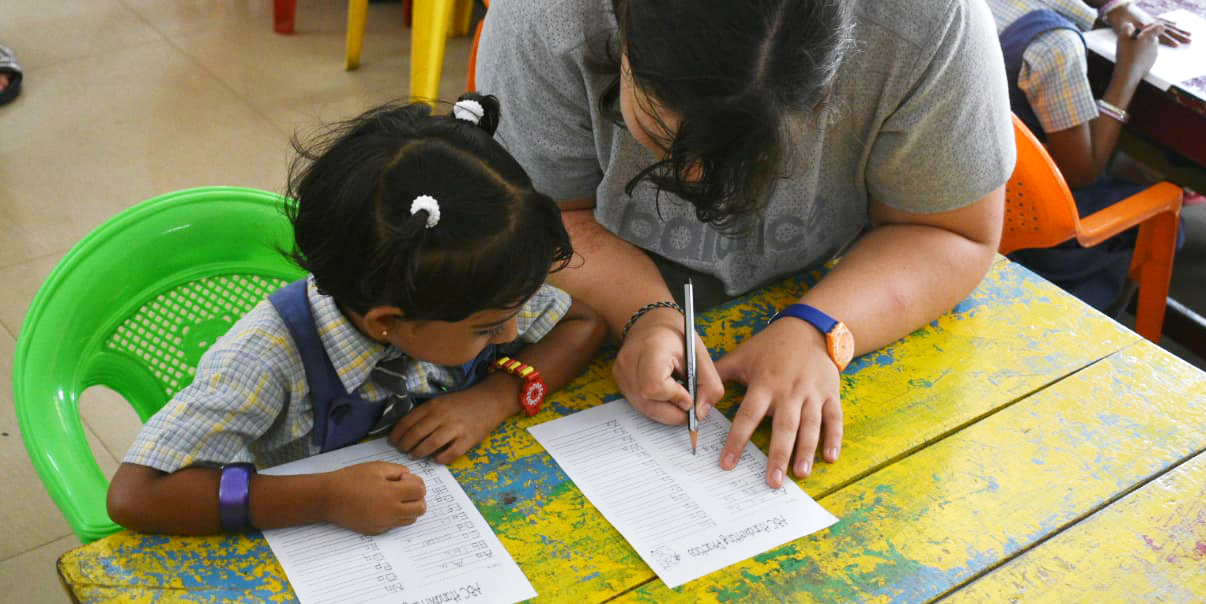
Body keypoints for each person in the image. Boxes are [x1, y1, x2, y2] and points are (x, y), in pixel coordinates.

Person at [477, 0, 1016, 489]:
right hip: (578, 310)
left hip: (837, 283)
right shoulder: (547, 15)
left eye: (756, 149)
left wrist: (821, 328)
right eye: (665, 139)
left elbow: (951, 231)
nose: (695, 180)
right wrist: (644, 312)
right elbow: (537, 218)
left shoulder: (927, 21)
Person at [107, 94, 607, 535]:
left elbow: (583, 324)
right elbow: (137, 493)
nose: (512, 333)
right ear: (385, 322)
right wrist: (323, 498)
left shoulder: (472, 285)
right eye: (488, 328)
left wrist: (494, 398)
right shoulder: (266, 358)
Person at [989, 0, 1187, 310]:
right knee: (1163, 215)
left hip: (973, 188)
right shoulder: (1055, 45)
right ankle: (1095, 322)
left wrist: (1112, 7)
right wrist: (1129, 72)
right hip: (1032, 230)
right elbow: (1082, 172)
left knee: (1127, 169)